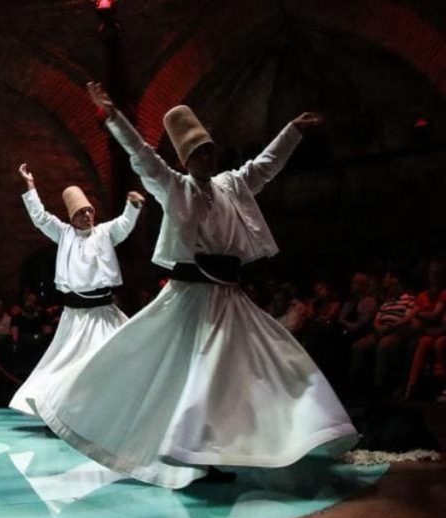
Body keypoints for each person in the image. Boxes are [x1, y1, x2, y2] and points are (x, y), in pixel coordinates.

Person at [31, 82, 356, 489]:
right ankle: (189, 452)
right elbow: (142, 156)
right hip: (191, 298)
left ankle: (282, 433)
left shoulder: (232, 185)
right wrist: (113, 117)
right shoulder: (175, 186)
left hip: (229, 297)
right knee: (197, 371)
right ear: (186, 159)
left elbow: (266, 165)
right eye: (199, 152)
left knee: (270, 357)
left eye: (210, 149)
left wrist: (292, 130)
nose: (208, 156)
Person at [9, 163, 142, 416]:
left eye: (90, 211)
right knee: (68, 364)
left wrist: (132, 207)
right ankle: (67, 412)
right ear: (72, 217)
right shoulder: (64, 234)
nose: (88, 216)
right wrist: (30, 186)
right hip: (76, 316)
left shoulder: (104, 233)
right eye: (82, 212)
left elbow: (124, 224)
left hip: (104, 313)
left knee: (115, 360)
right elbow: (40, 217)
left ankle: (112, 412)